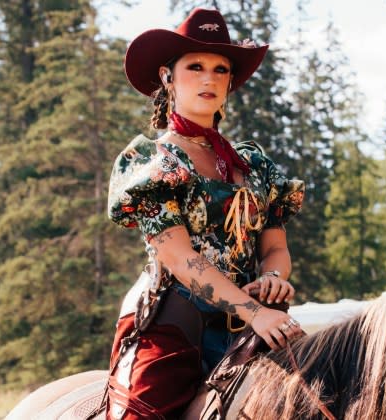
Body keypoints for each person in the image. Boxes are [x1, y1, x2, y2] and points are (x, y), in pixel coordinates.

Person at [105, 8, 305, 419]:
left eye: (220, 69)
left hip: (256, 322)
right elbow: (179, 257)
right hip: (176, 321)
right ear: (167, 77)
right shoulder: (153, 160)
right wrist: (255, 312)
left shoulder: (254, 166)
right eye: (195, 66)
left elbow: (275, 248)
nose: (209, 78)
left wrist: (272, 279)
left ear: (230, 82)